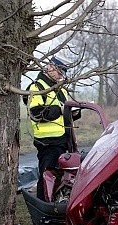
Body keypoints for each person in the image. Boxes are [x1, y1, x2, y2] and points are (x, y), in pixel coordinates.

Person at [28, 56, 74, 201]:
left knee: (62, 177)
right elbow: (36, 113)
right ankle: (43, 207)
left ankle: (56, 202)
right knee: (46, 177)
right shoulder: (37, 87)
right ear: (51, 67)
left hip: (64, 140)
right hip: (47, 142)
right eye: (60, 72)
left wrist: (74, 112)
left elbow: (65, 112)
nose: (61, 76)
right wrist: (59, 109)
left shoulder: (60, 89)